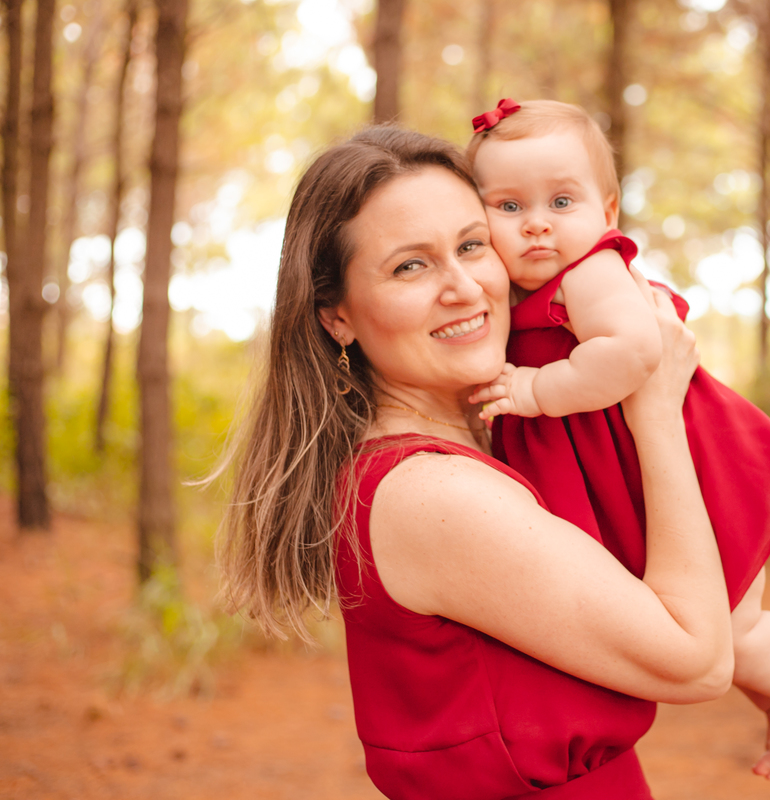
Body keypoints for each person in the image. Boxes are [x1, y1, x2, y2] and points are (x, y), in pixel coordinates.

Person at [216, 126, 738, 799]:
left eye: (471, 245)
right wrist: (656, 409)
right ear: (337, 317)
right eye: (410, 266)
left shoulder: (501, 440)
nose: (463, 287)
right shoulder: (433, 493)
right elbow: (696, 661)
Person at [466, 99, 770, 779]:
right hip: (617, 475)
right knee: (685, 624)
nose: (537, 223)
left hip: (681, 468)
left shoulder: (590, 272)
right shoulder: (513, 294)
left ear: (607, 211)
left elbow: (635, 351)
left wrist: (534, 391)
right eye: (509, 206)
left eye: (561, 201)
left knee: (736, 626)